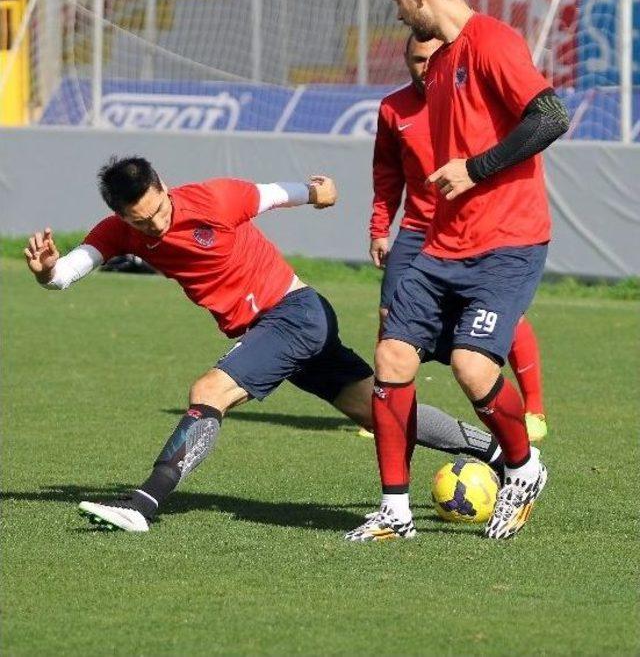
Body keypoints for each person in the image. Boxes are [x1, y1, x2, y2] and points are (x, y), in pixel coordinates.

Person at [24, 156, 503, 533]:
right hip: (281, 327)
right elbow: (65, 274)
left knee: (210, 391)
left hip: (294, 314)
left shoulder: (216, 197)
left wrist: (321, 192)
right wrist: (48, 270)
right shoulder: (118, 232)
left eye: (159, 210)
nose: (157, 225)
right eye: (142, 222)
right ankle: (498, 451)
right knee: (381, 412)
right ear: (121, 215)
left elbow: (283, 194)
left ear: (164, 186)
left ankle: (144, 504)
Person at [346, 0, 569, 543]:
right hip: (443, 242)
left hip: (508, 241)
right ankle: (395, 511)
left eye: (397, 2)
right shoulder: (440, 65)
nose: (397, 15)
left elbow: (552, 117)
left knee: (473, 367)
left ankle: (523, 469)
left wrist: (476, 168)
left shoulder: (494, 42)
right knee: (391, 359)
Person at [370, 33, 548, 441]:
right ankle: (398, 410)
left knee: (506, 318)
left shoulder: (468, 96)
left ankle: (534, 407)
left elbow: (535, 126)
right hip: (418, 229)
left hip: (476, 227)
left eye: (432, 59)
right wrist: (380, 227)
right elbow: (386, 173)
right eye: (416, 59)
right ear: (404, 59)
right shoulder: (393, 109)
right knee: (390, 317)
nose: (424, 67)